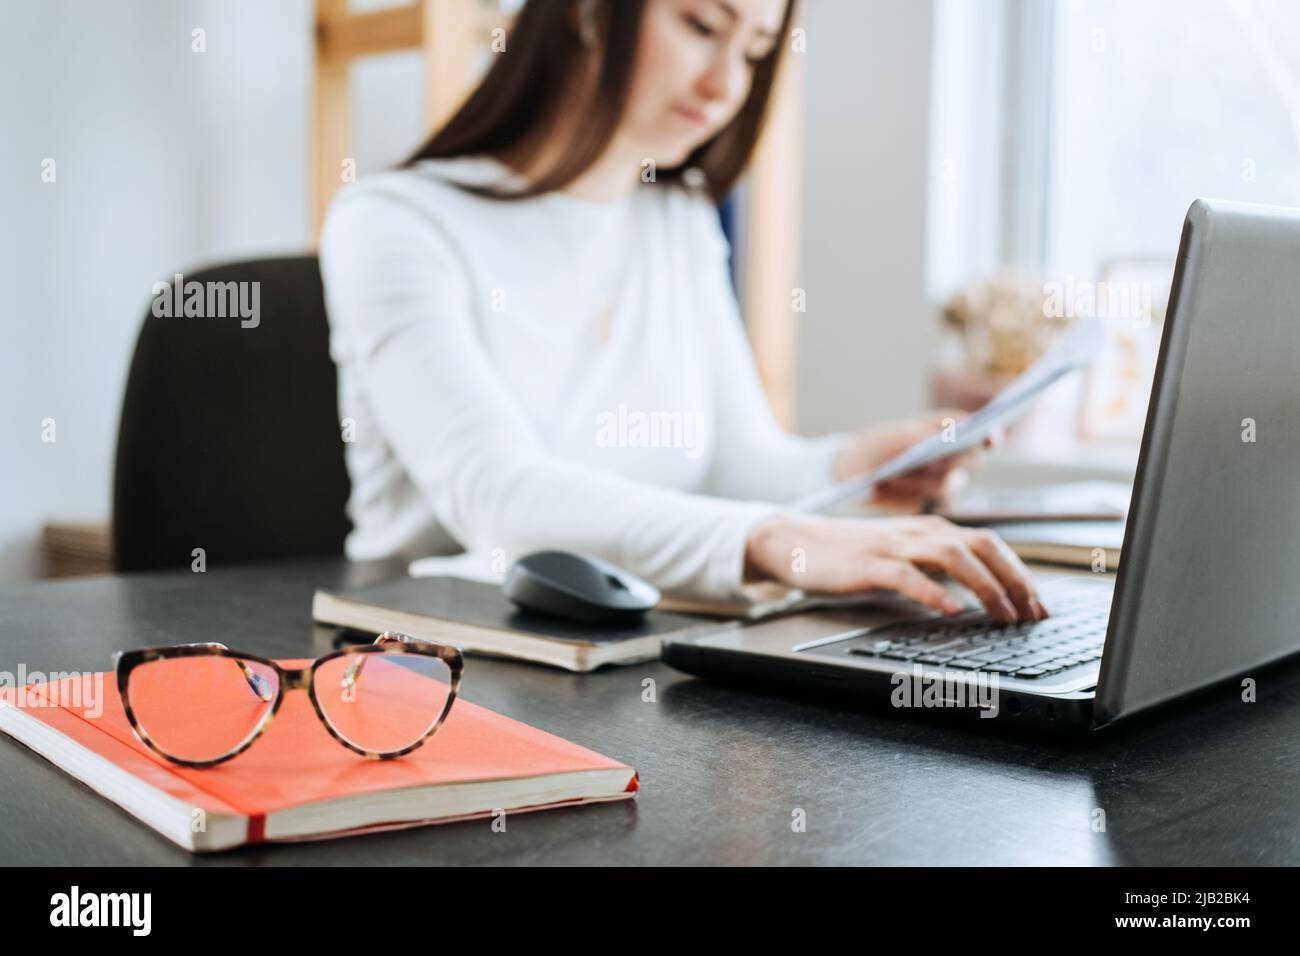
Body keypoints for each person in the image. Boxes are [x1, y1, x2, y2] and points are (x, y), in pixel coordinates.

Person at [319, 0, 1047, 624]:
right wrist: (767, 537)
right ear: (589, 11)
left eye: (755, 51)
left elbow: (731, 462)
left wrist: (855, 468)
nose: (726, 83)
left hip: (632, 637)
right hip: (434, 660)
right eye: (702, 26)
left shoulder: (676, 218)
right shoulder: (392, 223)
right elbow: (500, 497)